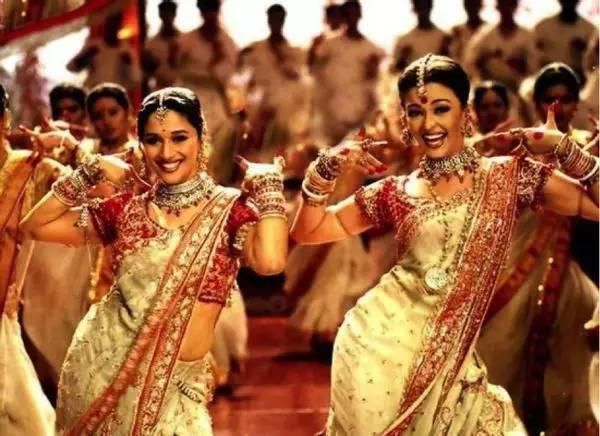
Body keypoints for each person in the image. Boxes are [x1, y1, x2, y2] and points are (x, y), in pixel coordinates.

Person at [291, 54, 599, 435]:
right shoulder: (395, 192)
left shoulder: (508, 177)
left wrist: (566, 149)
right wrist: (321, 174)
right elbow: (310, 231)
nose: (429, 124)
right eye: (415, 112)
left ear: (464, 113)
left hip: (456, 372)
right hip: (375, 351)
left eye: (441, 108)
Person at [20, 87, 288, 435]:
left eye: (179, 138)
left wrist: (269, 187)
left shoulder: (227, 210)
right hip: (103, 377)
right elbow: (35, 225)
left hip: (179, 395)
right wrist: (90, 170)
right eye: (153, 140)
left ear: (201, 137)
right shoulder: (127, 210)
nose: (166, 153)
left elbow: (270, 261)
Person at [475, 64, 599, 435]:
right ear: (536, 103)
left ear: (577, 103)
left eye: (566, 99)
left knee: (574, 348)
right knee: (504, 343)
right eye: (549, 99)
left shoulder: (587, 144)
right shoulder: (522, 143)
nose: (557, 107)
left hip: (574, 264)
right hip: (520, 258)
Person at [0, 82, 62, 435]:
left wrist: (68, 147)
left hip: (7, 309)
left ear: (5, 119)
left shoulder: (34, 168)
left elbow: (96, 186)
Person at [238, 4, 310, 163]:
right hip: (260, 109)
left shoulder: (293, 51)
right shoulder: (256, 49)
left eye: (279, 19)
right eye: (273, 19)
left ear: (283, 20)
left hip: (285, 112)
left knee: (285, 152)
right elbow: (245, 78)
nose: (276, 22)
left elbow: (299, 81)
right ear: (268, 20)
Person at [311, 0, 384, 144]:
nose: (352, 18)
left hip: (359, 108)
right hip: (333, 111)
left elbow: (373, 81)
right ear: (343, 17)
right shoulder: (329, 45)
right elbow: (314, 70)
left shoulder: (371, 49)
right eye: (348, 14)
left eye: (355, 14)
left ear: (360, 15)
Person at [464, 0, 539, 91]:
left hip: (518, 87)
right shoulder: (485, 34)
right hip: (489, 87)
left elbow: (534, 66)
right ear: (497, 7)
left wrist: (521, 65)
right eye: (503, 4)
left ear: (515, 6)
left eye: (509, 5)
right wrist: (487, 58)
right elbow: (470, 61)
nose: (506, 9)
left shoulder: (526, 35)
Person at [67, 11, 141, 94]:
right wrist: (86, 56)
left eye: (115, 24)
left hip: (114, 95)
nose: (112, 27)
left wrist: (128, 63)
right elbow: (71, 68)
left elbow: (136, 79)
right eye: (110, 24)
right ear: (105, 25)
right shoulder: (93, 46)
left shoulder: (126, 50)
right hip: (93, 93)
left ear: (119, 26)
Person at [533, 0, 596, 80]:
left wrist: (585, 52)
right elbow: (533, 61)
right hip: (546, 80)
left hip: (576, 81)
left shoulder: (590, 31)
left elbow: (593, 68)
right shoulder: (542, 28)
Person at [390, 0, 450, 73]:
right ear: (414, 9)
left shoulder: (444, 38)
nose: (423, 12)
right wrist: (402, 59)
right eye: (420, 7)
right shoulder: (404, 41)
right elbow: (393, 71)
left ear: (430, 7)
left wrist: (445, 54)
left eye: (425, 6)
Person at [143, 0, 181, 90]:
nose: (167, 18)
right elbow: (147, 72)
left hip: (181, 88)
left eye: (169, 14)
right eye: (164, 14)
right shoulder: (151, 44)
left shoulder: (183, 41)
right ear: (160, 15)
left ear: (174, 15)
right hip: (159, 88)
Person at [448, 0, 485, 65]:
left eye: (475, 5)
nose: (472, 8)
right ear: (465, 6)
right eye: (469, 5)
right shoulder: (457, 30)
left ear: (480, 6)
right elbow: (452, 55)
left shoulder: (488, 30)